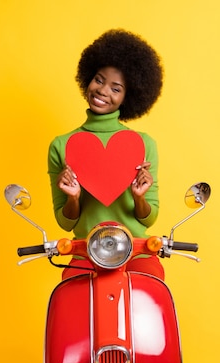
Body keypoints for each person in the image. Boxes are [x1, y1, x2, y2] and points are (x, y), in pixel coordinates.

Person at [47, 29, 165, 280]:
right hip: (85, 255)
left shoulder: (143, 144)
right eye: (99, 80)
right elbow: (66, 223)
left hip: (136, 254)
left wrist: (140, 197)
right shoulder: (62, 145)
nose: (102, 91)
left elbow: (149, 217)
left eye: (116, 88)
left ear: (127, 97)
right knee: (69, 299)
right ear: (88, 79)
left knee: (152, 291)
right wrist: (74, 198)